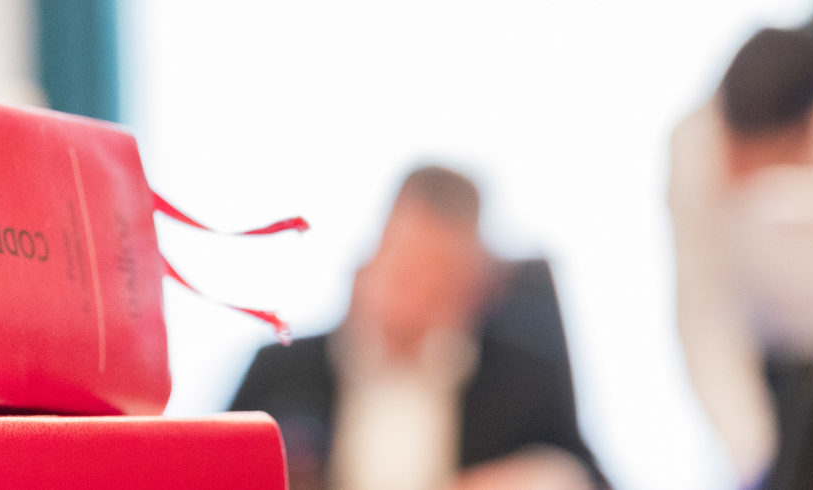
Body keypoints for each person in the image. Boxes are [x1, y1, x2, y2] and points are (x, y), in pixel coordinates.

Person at [231, 165, 605, 489]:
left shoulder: (525, 381)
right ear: (374, 254)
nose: (418, 293)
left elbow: (587, 476)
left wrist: (542, 477)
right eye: (407, 265)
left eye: (440, 275)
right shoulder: (280, 370)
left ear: (476, 285)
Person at [669, 22, 813, 487]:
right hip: (781, 373)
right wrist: (751, 455)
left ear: (810, 128)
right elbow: (706, 317)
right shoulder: (697, 147)